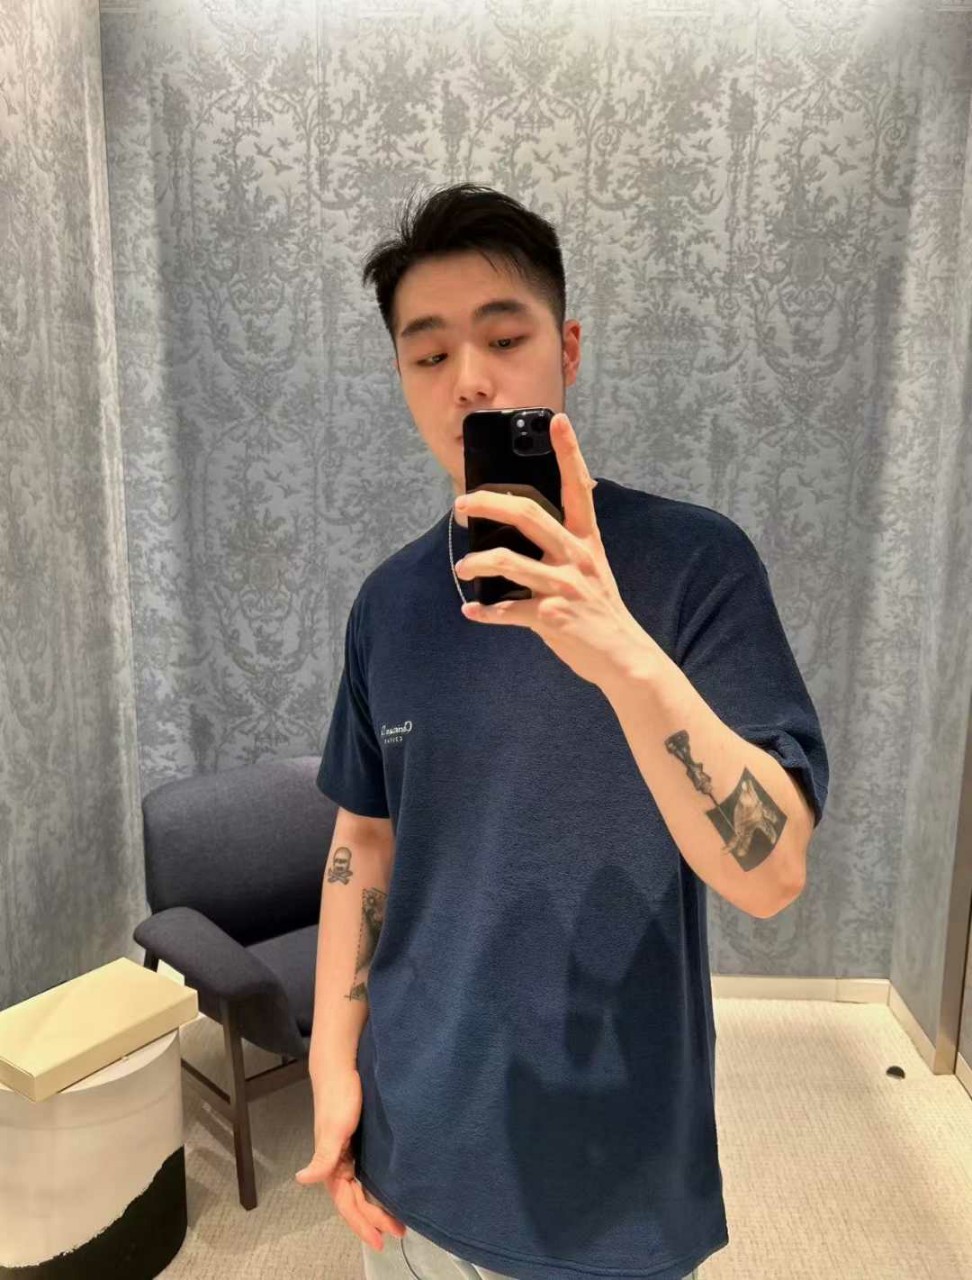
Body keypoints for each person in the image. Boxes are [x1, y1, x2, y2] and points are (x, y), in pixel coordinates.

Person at [295, 182, 829, 1280]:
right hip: (412, 1144)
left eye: (504, 338)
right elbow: (366, 841)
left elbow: (773, 873)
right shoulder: (388, 604)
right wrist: (332, 1064)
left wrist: (620, 651)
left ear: (567, 349)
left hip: (610, 1171)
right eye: (428, 353)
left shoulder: (695, 565)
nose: (469, 380)